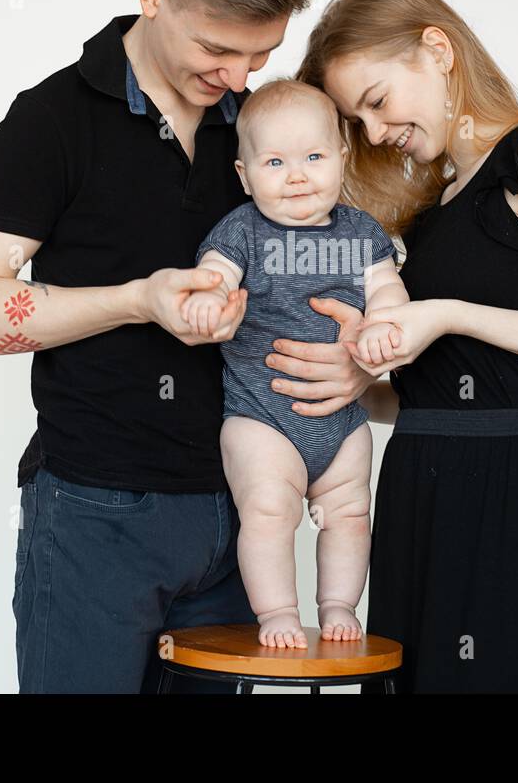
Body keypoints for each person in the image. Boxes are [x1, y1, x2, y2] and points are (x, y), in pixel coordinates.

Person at [0, 0, 351, 693]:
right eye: (217, 49)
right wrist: (138, 300)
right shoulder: (52, 120)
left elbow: (349, 279)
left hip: (245, 526)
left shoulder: (270, 128)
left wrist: (357, 367)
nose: (240, 78)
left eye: (261, 54)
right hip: (95, 513)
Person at [295, 0, 518, 692]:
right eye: (356, 122)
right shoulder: (436, 208)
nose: (375, 133)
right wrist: (359, 387)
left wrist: (445, 313)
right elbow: (447, 388)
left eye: (377, 102)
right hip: (421, 493)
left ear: (437, 49)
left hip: (517, 496)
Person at [185, 80, 408, 648]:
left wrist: (384, 322)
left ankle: (338, 605)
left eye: (313, 157)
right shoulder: (242, 230)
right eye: (275, 162)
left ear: (341, 157)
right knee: (267, 511)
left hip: (343, 419)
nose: (297, 176)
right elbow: (214, 274)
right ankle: (278, 612)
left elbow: (387, 288)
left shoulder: (362, 232)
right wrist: (210, 298)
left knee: (351, 513)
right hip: (262, 417)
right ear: (244, 174)